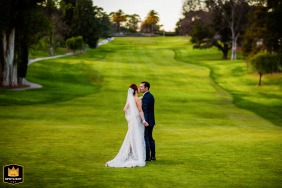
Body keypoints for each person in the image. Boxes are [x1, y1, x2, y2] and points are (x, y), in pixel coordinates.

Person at [106, 84, 149, 168]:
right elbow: (140, 111)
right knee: (138, 136)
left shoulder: (131, 99)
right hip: (137, 120)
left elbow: (125, 109)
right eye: (138, 88)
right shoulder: (137, 99)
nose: (139, 88)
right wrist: (143, 120)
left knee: (131, 136)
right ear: (136, 91)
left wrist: (129, 117)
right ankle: (137, 155)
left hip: (132, 121)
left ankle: (132, 153)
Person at [139, 81, 156, 161]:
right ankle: (153, 156)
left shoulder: (146, 97)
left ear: (146, 88)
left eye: (142, 87)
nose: (140, 88)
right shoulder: (151, 96)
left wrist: (144, 121)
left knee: (146, 138)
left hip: (147, 121)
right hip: (152, 120)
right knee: (150, 138)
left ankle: (147, 157)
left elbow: (145, 110)